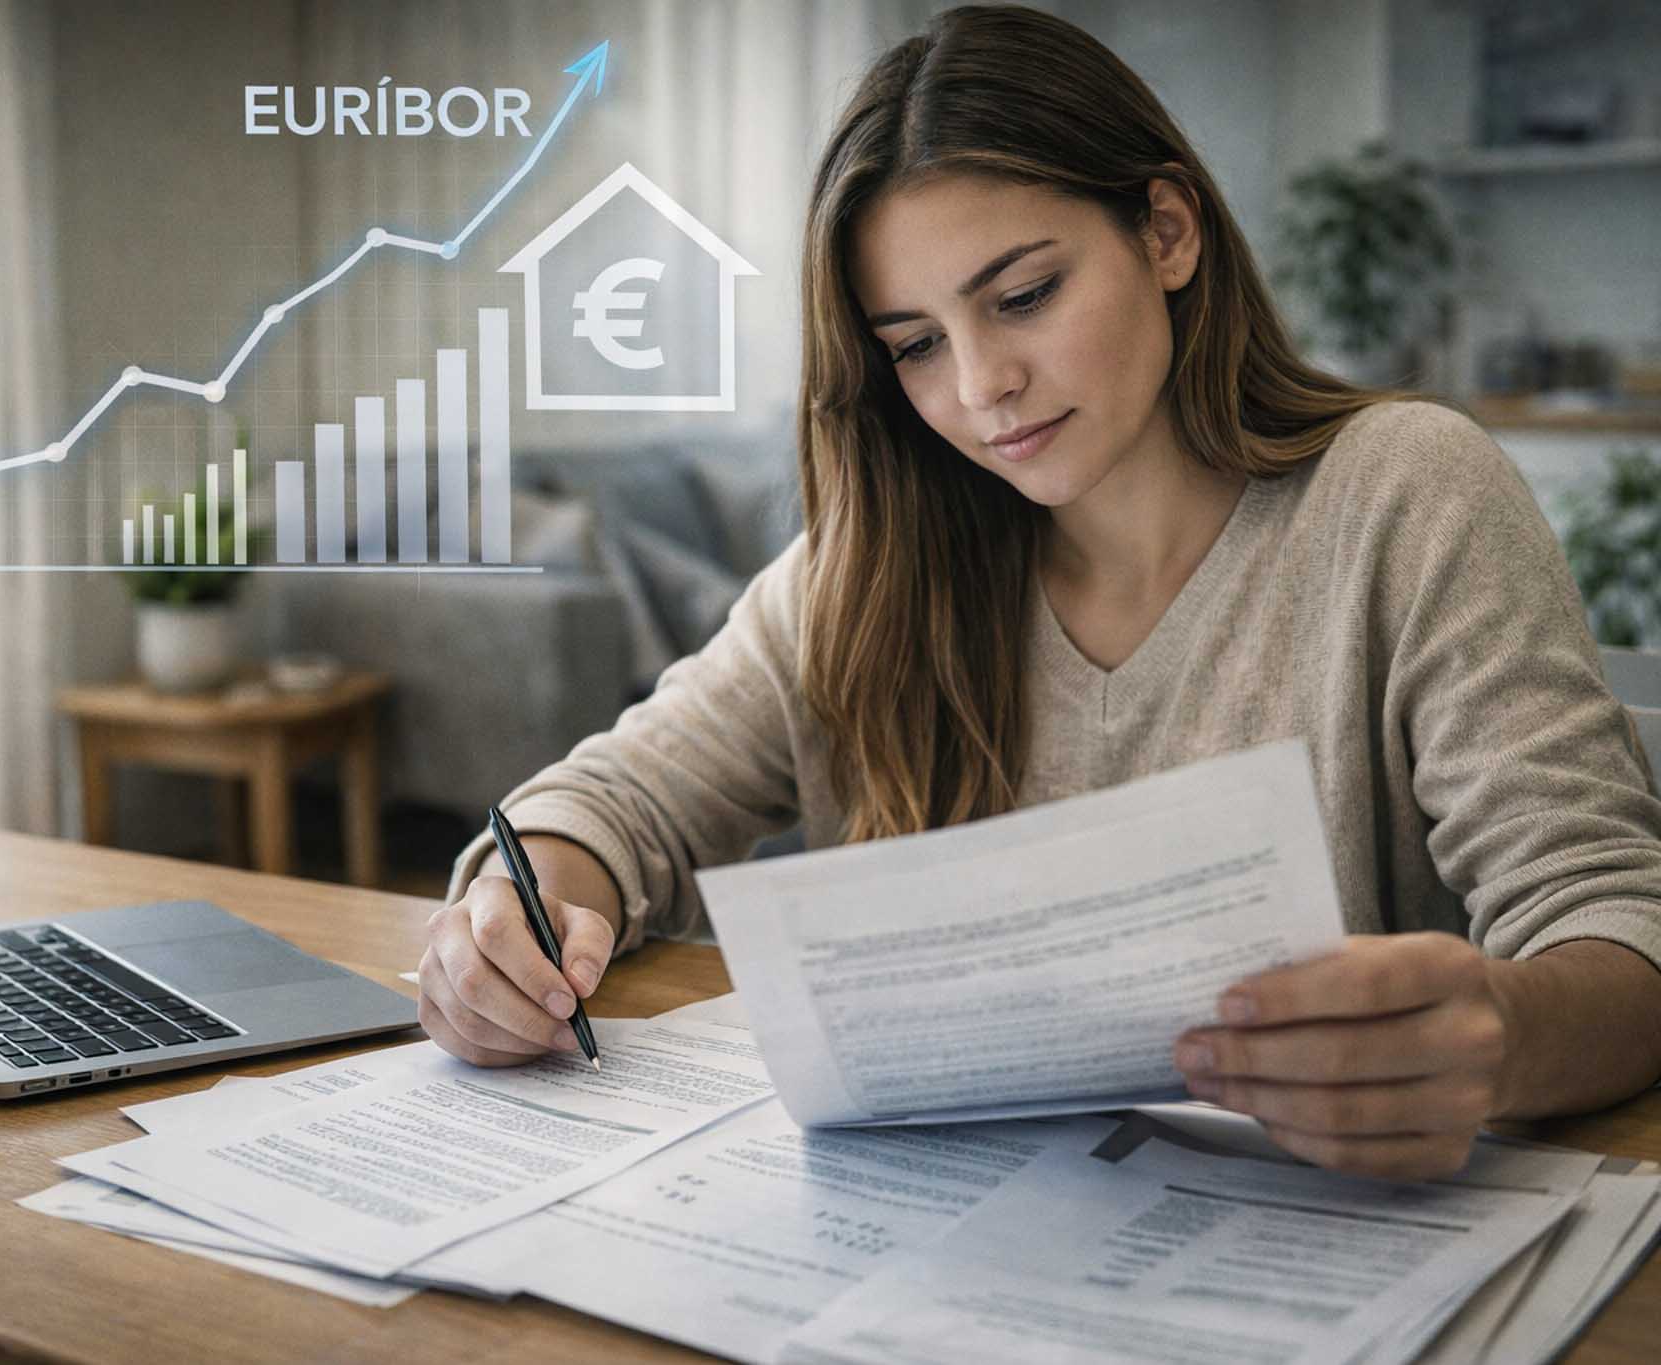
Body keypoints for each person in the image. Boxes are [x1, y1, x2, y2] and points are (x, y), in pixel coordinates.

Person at [416, 3, 1661, 1180]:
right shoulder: (873, 565)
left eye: (1022, 297)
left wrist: (1499, 1028)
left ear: (1165, 233)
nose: (979, 385)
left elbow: (1612, 924)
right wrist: (514, 924)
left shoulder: (1403, 494)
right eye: (911, 344)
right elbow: (614, 801)